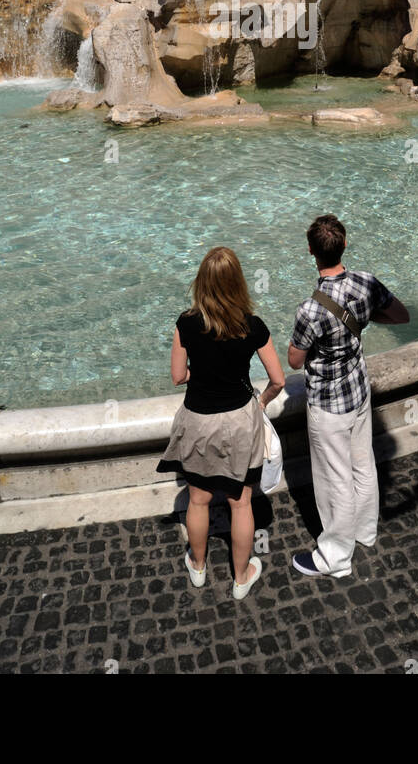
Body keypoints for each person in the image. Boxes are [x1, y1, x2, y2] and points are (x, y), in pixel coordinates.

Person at [157, 247, 285, 599]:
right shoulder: (252, 326)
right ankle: (241, 577)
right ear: (238, 283)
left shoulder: (186, 323)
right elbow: (278, 380)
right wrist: (261, 402)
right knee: (240, 501)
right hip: (239, 420)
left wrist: (202, 369)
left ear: (201, 282)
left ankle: (197, 567)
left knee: (197, 499)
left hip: (198, 418)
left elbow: (177, 376)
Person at [288, 214, 410, 579]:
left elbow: (294, 358)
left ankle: (335, 558)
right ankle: (365, 531)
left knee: (333, 477)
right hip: (358, 390)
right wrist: (364, 320)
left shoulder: (310, 310)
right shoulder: (366, 283)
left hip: (328, 403)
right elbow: (400, 316)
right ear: (344, 245)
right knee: (362, 462)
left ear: (311, 251)